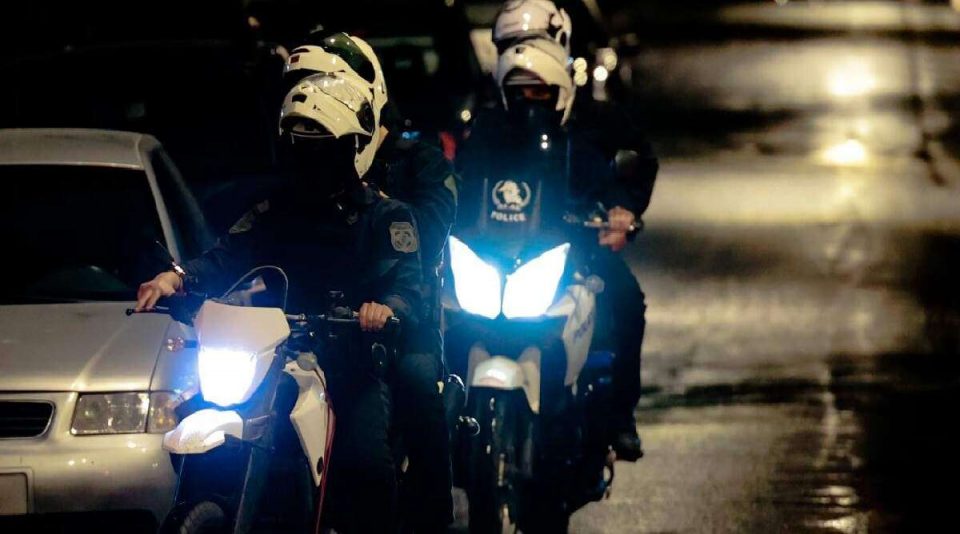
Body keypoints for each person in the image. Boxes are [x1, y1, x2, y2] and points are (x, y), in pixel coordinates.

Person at [136, 58, 418, 533]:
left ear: (350, 149)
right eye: (301, 150)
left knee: (367, 463)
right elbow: (226, 255)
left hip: (349, 359)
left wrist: (385, 309)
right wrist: (176, 279)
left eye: (321, 151)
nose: (310, 164)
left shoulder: (386, 216)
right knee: (192, 409)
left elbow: (408, 286)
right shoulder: (276, 210)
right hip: (271, 354)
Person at [458, 0, 658, 462]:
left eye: (533, 44)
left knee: (626, 300)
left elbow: (638, 159)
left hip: (580, 247)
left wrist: (622, 210)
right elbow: (459, 181)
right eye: (511, 46)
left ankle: (618, 417)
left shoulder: (596, 119)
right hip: (499, 252)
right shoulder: (490, 124)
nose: (523, 60)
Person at [281, 32, 458, 532]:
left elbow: (422, 238)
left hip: (401, 318)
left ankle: (432, 517)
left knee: (419, 386)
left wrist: (370, 206)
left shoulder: (417, 161)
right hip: (320, 319)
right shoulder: (311, 154)